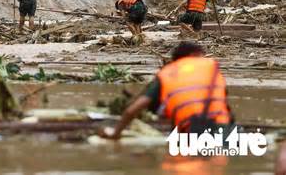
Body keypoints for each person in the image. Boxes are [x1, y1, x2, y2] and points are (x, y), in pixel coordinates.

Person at [100, 41, 233, 139]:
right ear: (195, 54)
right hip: (223, 130)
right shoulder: (212, 69)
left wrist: (115, 133)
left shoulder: (169, 73)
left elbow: (132, 110)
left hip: (191, 132)